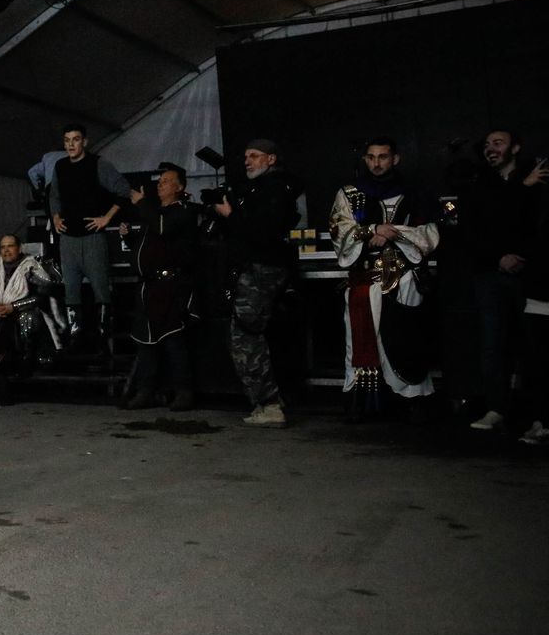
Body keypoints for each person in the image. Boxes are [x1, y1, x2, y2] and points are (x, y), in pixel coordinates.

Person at [327, 138, 440, 419]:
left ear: (395, 159)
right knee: (362, 337)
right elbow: (339, 229)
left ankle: (412, 400)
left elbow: (429, 233)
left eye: (383, 157)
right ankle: (366, 402)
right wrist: (371, 230)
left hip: (404, 277)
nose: (377, 163)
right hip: (365, 277)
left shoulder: (415, 193)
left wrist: (393, 232)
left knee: (406, 337)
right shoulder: (350, 193)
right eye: (371, 157)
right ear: (365, 160)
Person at [457, 130, 543, 431]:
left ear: (515, 147)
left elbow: (534, 224)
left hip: (530, 274)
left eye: (498, 143)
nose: (490, 149)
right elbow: (473, 230)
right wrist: (498, 258)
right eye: (487, 145)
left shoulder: (537, 178)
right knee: (492, 344)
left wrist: (523, 257)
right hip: (489, 273)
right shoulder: (480, 184)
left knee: (535, 346)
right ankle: (497, 408)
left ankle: (537, 417)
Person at [213, 138, 302, 428]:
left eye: (255, 155)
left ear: (271, 159)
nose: (248, 161)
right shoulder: (266, 188)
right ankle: (269, 401)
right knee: (249, 335)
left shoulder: (275, 189)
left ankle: (269, 404)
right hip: (257, 267)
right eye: (246, 156)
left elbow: (261, 232)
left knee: (246, 338)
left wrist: (231, 216)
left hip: (260, 269)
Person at [121, 163, 199, 412]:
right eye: (160, 180)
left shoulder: (182, 211)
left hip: (170, 287)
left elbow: (164, 230)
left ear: (180, 187)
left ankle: (184, 392)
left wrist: (142, 204)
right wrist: (130, 238)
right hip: (148, 287)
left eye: (166, 181)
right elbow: (152, 243)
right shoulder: (155, 213)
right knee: (146, 342)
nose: (160, 184)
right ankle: (146, 391)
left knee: (173, 340)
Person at [50, 125, 131, 344]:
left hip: (93, 237)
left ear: (84, 141)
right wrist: (56, 217)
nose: (70, 144)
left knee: (100, 289)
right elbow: (54, 195)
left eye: (75, 140)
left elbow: (124, 191)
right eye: (67, 140)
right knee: (71, 290)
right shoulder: (60, 166)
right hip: (68, 239)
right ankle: (76, 340)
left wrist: (107, 217)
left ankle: (105, 339)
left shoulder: (98, 164)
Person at [0, 234, 48, 403]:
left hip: (23, 311)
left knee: (26, 321)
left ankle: (20, 366)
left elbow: (40, 297)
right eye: (3, 247)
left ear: (19, 248)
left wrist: (14, 307)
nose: (6, 250)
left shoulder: (30, 267)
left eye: (10, 246)